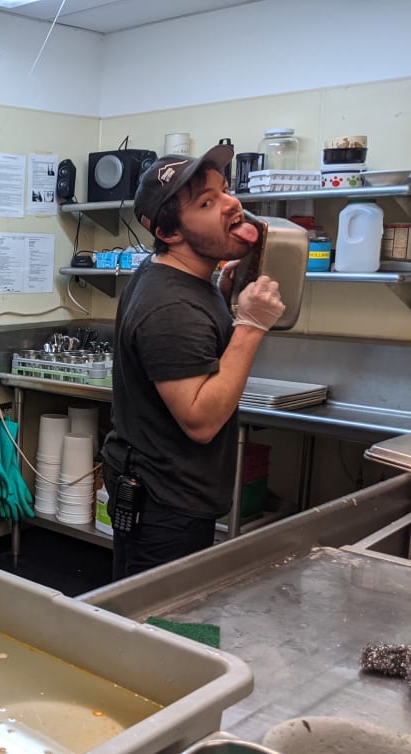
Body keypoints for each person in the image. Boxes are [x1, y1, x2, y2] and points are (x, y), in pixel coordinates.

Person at [100, 146, 285, 580]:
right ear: (169, 231)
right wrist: (251, 326)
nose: (231, 204)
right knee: (157, 626)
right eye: (207, 202)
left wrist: (221, 299)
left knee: (167, 616)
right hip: (165, 504)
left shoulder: (173, 274)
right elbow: (200, 420)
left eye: (224, 190)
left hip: (165, 491)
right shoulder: (171, 306)